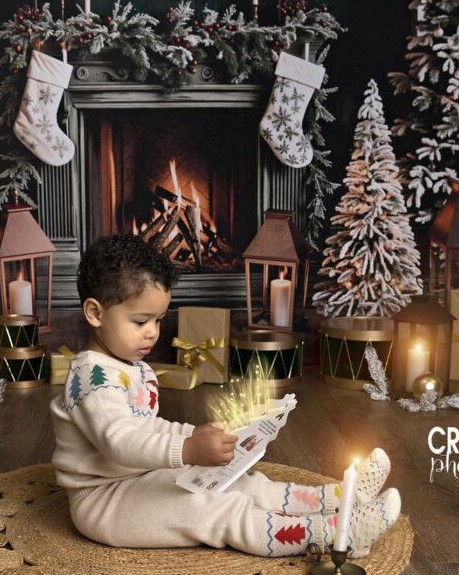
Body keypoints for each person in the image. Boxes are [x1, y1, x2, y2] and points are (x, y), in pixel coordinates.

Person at [50, 234, 401, 557]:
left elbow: (145, 427)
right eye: (140, 321)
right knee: (213, 509)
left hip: (138, 476)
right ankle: (330, 534)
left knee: (243, 484)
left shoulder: (132, 366)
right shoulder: (91, 377)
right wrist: (187, 450)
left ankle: (338, 498)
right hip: (104, 502)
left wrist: (194, 435)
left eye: (158, 320)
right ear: (95, 313)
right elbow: (119, 441)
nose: (153, 334)